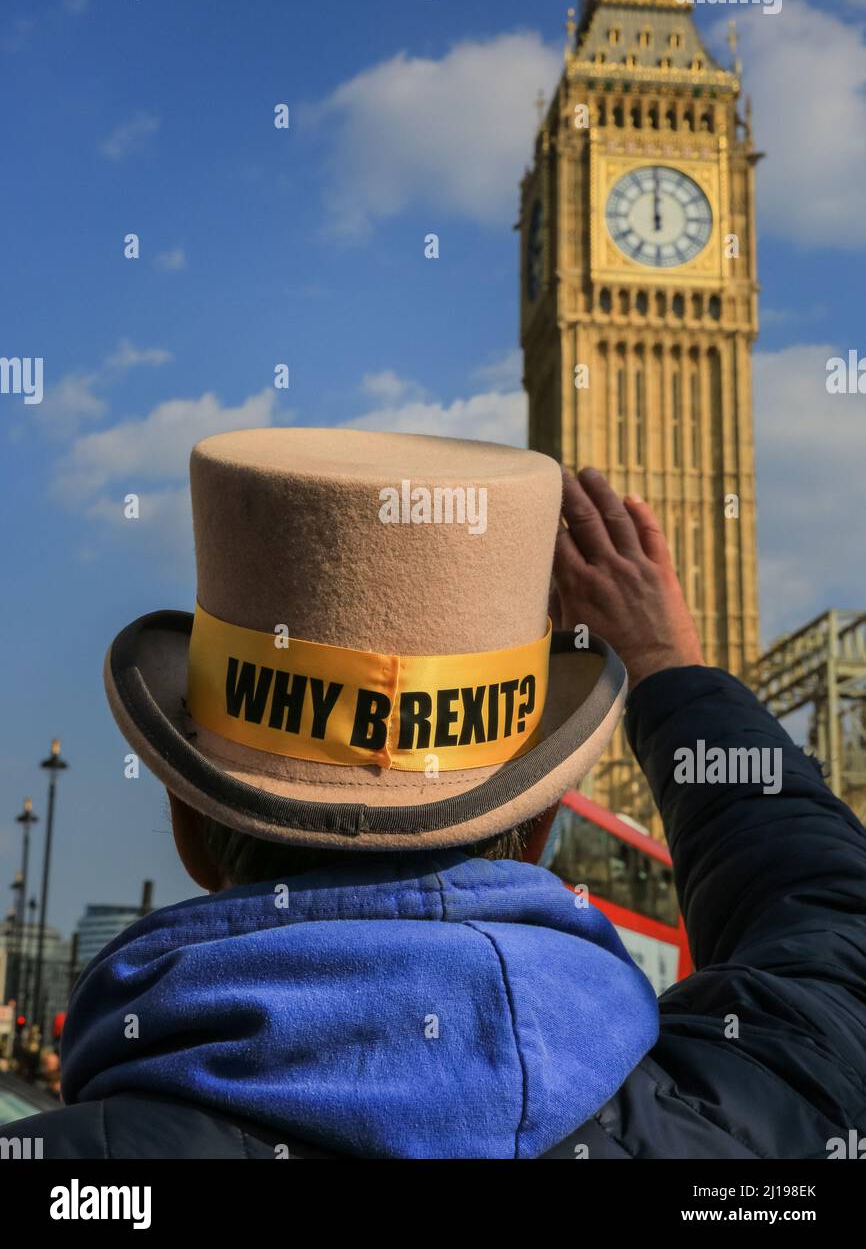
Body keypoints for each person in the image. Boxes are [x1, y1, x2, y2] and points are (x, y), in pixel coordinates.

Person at [7, 430, 866, 1159]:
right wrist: (671, 670)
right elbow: (834, 926)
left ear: (191, 825)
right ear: (537, 828)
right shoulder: (755, 1124)